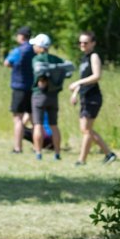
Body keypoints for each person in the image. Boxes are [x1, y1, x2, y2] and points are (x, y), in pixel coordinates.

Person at [68, 31, 116, 165]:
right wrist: (75, 93)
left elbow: (97, 76)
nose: (82, 44)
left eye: (86, 42)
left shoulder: (94, 56)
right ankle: (109, 154)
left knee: (86, 130)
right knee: (85, 130)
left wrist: (77, 83)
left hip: (93, 97)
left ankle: (82, 160)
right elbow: (84, 79)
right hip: (85, 96)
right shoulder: (84, 58)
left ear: (93, 43)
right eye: (80, 42)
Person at [29, 33, 73, 161]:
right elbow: (68, 69)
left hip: (39, 95)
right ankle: (57, 154)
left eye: (35, 45)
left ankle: (38, 153)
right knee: (54, 125)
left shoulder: (36, 59)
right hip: (54, 96)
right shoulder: (56, 59)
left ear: (40, 46)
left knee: (38, 125)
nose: (34, 47)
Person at [3, 26, 35, 154]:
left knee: (18, 119)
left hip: (19, 87)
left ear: (21, 36)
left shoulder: (18, 51)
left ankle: (18, 147)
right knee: (34, 119)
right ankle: (36, 146)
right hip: (33, 87)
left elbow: (7, 63)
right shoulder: (34, 50)